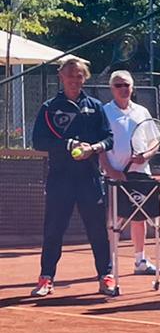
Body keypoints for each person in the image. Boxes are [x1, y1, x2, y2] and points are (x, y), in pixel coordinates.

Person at [30, 56, 116, 298]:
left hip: (89, 179)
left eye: (79, 76)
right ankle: (46, 277)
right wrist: (68, 144)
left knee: (98, 230)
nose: (74, 80)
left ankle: (105, 277)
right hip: (60, 179)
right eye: (70, 75)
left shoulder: (95, 107)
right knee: (54, 230)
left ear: (84, 78)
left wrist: (93, 148)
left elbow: (109, 139)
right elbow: (38, 142)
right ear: (61, 77)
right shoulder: (49, 107)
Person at [100, 70, 160, 276]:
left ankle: (140, 260)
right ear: (112, 89)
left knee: (139, 218)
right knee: (113, 220)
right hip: (115, 176)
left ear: (132, 88)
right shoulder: (104, 112)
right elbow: (100, 147)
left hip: (141, 174)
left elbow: (154, 141)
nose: (123, 89)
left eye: (127, 85)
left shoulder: (142, 112)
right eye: (119, 85)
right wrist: (111, 171)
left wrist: (146, 155)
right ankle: (109, 264)